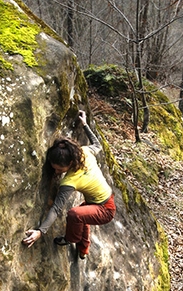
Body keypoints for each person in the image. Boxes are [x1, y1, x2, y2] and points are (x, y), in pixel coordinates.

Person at [22, 111, 116, 259]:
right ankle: (83, 250)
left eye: (60, 169)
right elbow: (97, 144)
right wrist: (84, 124)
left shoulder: (70, 181)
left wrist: (40, 231)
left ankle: (72, 239)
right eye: (54, 168)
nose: (56, 171)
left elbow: (56, 208)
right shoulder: (84, 151)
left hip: (106, 209)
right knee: (82, 215)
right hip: (98, 201)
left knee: (75, 214)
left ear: (70, 163)